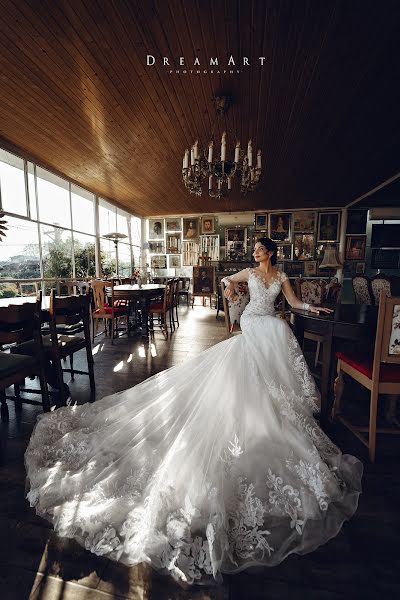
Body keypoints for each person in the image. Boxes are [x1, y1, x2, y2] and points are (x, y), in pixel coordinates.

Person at [25, 237, 362, 585]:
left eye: (260, 249)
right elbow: (228, 282)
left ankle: (270, 412)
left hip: (270, 328)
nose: (255, 252)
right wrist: (231, 290)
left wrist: (313, 309)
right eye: (255, 249)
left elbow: (293, 303)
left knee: (278, 331)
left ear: (271, 252)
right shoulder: (249, 271)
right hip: (251, 326)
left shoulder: (281, 277)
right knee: (261, 339)